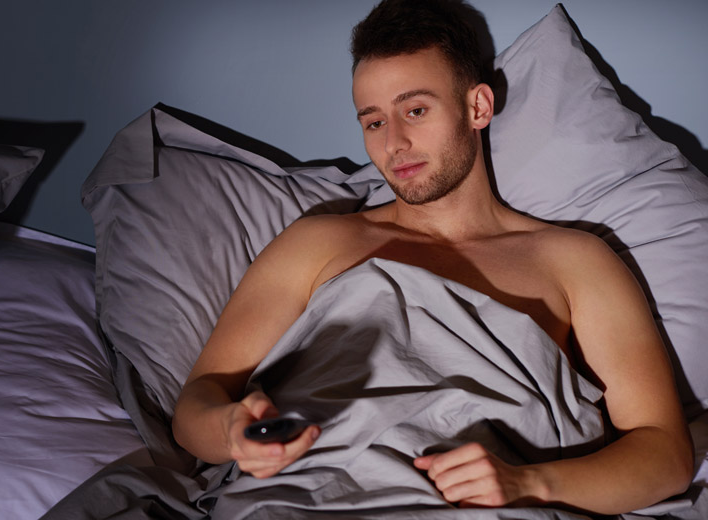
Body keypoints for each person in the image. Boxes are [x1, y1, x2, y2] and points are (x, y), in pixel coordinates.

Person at [172, 0, 694, 514]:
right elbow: (200, 398)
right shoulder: (318, 244)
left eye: (415, 110)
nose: (394, 143)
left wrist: (527, 482)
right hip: (302, 498)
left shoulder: (575, 261)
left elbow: (664, 453)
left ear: (478, 108)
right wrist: (231, 432)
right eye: (373, 122)